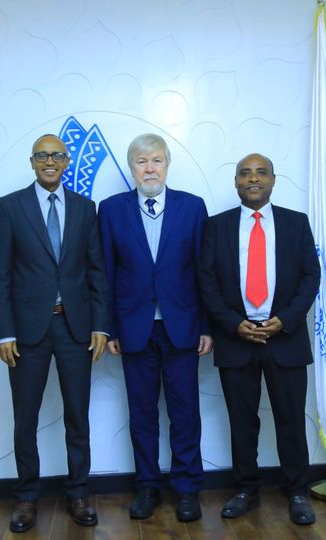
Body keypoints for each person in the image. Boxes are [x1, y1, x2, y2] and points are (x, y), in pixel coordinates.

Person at [0, 134, 109, 533]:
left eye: (57, 155)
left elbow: (96, 270)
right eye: (42, 155)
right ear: (32, 162)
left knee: (77, 415)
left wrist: (99, 325)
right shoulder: (10, 207)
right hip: (26, 332)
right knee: (26, 417)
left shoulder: (85, 208)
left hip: (75, 329)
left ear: (67, 161)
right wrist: (3, 333)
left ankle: (79, 493)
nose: (50, 161)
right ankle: (26, 497)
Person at [198, 153, 320, 525]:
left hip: (285, 337)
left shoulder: (296, 223)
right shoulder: (216, 226)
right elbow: (206, 281)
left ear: (273, 180)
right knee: (242, 421)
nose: (253, 179)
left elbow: (310, 277)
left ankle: (297, 491)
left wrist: (285, 320)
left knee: (290, 420)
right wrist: (233, 323)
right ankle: (245, 490)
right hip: (237, 338)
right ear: (236, 182)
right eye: (245, 173)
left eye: (261, 173)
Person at [98, 133, 212, 522]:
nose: (150, 168)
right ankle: (147, 485)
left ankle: (187, 488)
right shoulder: (110, 210)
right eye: (142, 161)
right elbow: (106, 273)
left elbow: (204, 271)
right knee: (142, 414)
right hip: (134, 330)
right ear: (131, 168)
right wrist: (109, 329)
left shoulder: (192, 207)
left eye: (157, 160)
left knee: (185, 413)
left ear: (167, 165)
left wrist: (207, 326)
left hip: (182, 328)